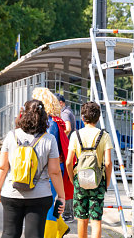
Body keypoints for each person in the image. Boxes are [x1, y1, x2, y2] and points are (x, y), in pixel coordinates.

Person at [0, 99, 65, 238]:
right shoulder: (49, 139)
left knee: (9, 233)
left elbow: (2, 167)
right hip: (40, 195)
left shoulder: (11, 136)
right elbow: (55, 172)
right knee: (35, 235)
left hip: (11, 193)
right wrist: (61, 196)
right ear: (44, 116)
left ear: (23, 114)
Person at [66, 102, 112, 238]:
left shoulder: (76, 135)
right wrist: (106, 181)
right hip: (98, 181)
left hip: (79, 180)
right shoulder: (104, 136)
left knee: (81, 218)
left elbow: (69, 161)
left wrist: (71, 178)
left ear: (83, 117)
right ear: (98, 118)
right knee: (96, 219)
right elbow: (108, 163)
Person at [32, 87, 72, 237]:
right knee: (47, 203)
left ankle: (51, 234)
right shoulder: (51, 122)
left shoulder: (50, 123)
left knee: (47, 205)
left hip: (50, 170)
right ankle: (60, 226)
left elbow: (48, 150)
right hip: (49, 169)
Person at [55, 93, 76, 223]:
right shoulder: (69, 111)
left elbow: (67, 128)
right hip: (69, 149)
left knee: (65, 183)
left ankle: (67, 213)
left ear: (61, 103)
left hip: (67, 150)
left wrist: (60, 137)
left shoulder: (64, 113)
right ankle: (68, 212)